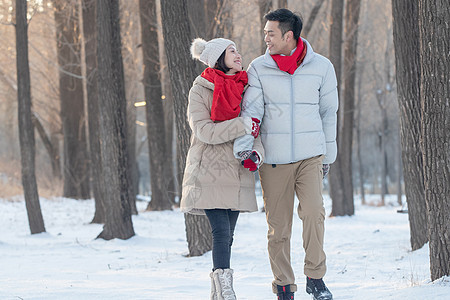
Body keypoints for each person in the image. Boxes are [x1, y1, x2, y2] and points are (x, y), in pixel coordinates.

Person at [233, 9, 338, 300]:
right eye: (265, 32)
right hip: (274, 161)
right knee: (278, 228)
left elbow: (329, 112)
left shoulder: (322, 67)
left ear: (288, 36)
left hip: (310, 156)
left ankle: (316, 278)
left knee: (315, 214)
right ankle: (283, 285)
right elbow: (251, 111)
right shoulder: (258, 68)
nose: (265, 37)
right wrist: (245, 147)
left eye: (271, 33)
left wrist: (328, 154)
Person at [180, 37, 264, 300]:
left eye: (238, 49)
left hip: (237, 170)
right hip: (210, 169)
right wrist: (241, 126)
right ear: (218, 58)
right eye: (231, 51)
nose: (238, 55)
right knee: (221, 232)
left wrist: (256, 154)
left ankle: (218, 292)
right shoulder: (201, 88)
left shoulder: (245, 87)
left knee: (229, 236)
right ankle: (226, 289)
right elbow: (204, 131)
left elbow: (255, 127)